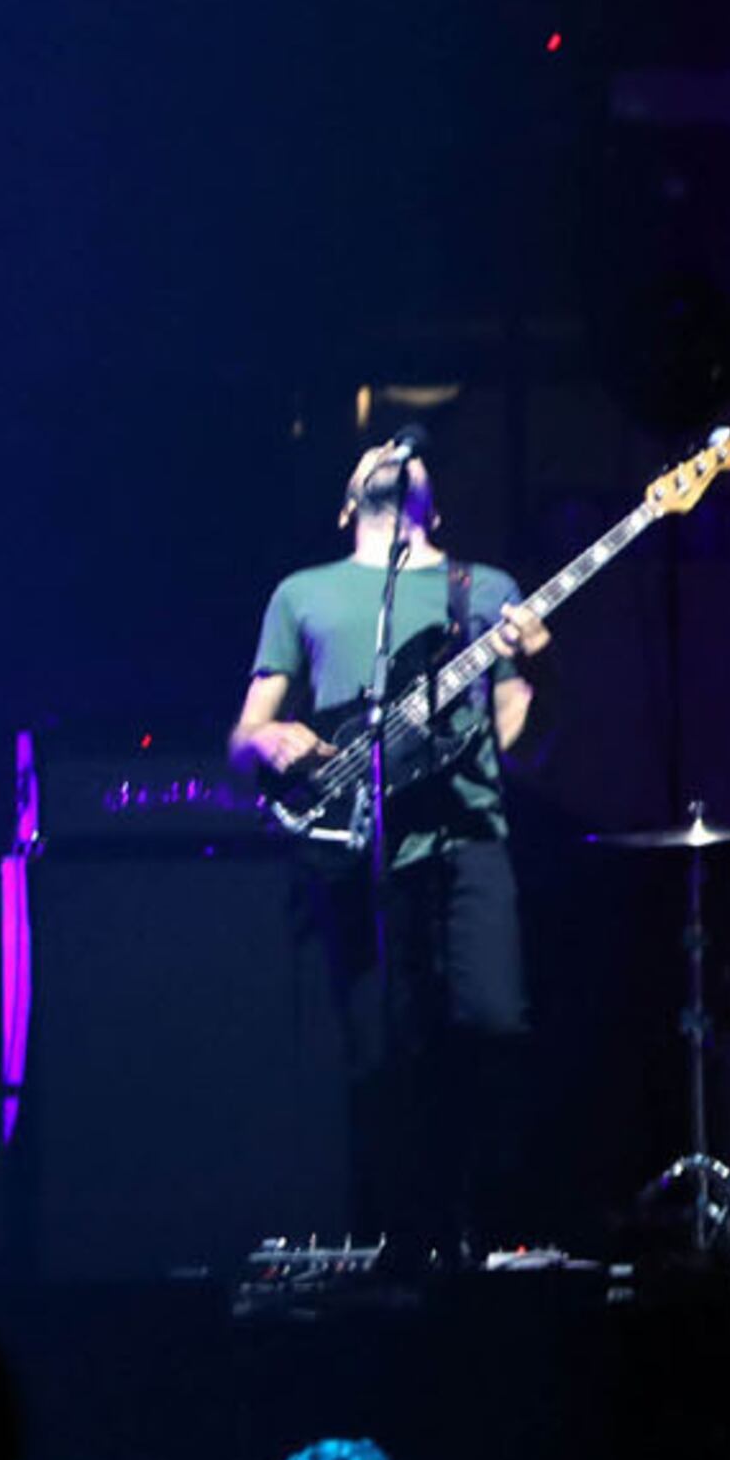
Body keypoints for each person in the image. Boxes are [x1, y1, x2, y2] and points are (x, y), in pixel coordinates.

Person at [229, 435, 547, 1255]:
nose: (388, 452)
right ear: (347, 502)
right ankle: (395, 1244)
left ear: (431, 505)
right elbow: (245, 737)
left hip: (470, 836)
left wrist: (530, 673)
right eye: (371, 452)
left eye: (404, 459)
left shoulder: (483, 589)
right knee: (378, 1055)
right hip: (356, 845)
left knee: (491, 1028)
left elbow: (516, 733)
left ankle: (485, 1236)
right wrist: (270, 745)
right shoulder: (302, 594)